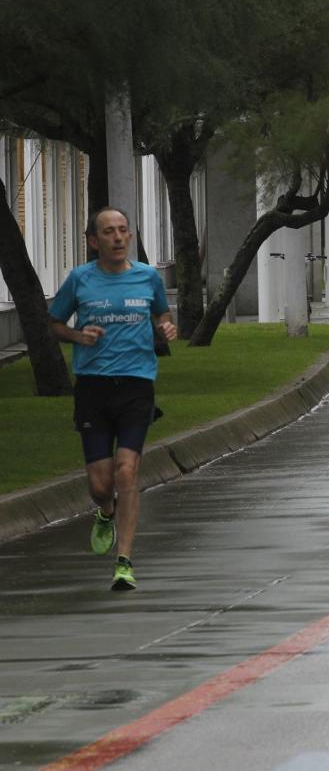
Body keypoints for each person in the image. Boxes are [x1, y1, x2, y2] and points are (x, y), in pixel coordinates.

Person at [48, 207, 177, 591]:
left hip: (137, 384)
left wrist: (167, 327)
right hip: (93, 386)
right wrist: (77, 336)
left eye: (123, 231)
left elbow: (163, 315)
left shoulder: (147, 277)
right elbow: (53, 323)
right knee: (101, 484)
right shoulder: (79, 280)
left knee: (127, 471)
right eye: (109, 232)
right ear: (93, 241)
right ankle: (105, 511)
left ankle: (124, 561)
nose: (118, 238)